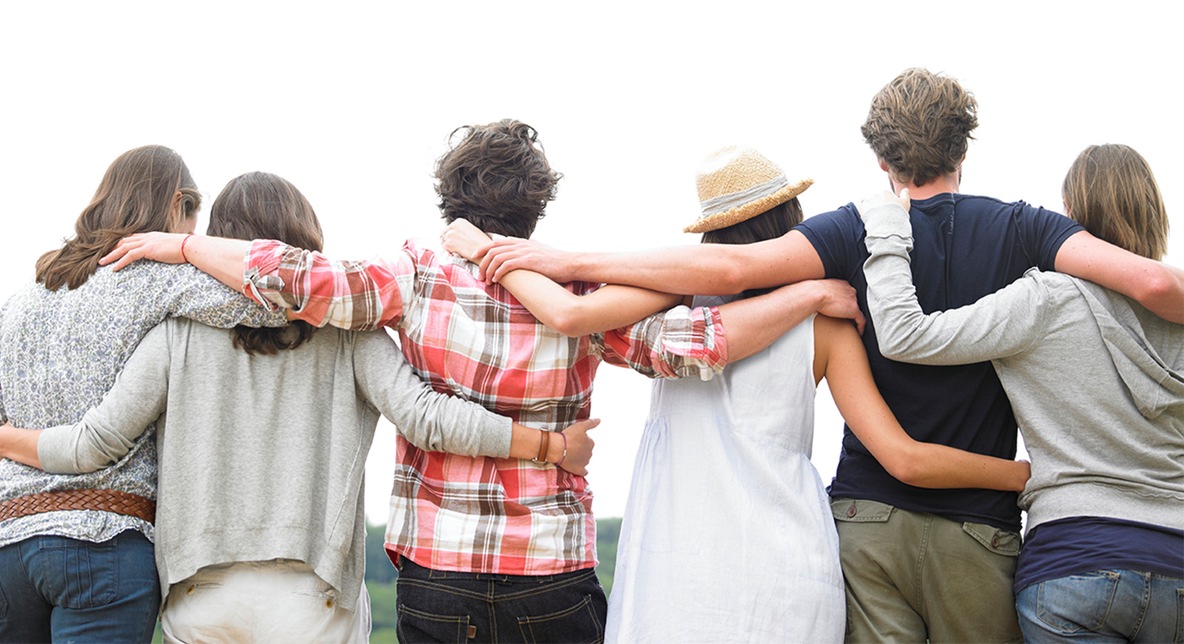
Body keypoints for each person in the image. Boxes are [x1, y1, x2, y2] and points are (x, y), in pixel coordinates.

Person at [464, 70, 1184, 641]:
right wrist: (1035, 475)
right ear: (965, 149)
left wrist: (550, 254)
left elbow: (718, 278)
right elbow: (1148, 281)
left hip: (809, 542)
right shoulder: (1022, 231)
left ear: (880, 158)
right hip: (952, 534)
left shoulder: (833, 239)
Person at [96, 120, 864, 641]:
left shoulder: (414, 276)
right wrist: (807, 292)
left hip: (439, 575)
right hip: (551, 573)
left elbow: (297, 276)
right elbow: (701, 342)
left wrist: (186, 249)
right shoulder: (587, 297)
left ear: (450, 200)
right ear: (537, 205)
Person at [441, 145, 1032, 643]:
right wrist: (1025, 475)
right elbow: (902, 457)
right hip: (788, 577)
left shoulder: (669, 306)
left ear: (711, 235)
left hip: (672, 574)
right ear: (793, 221)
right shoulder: (824, 319)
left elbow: (568, 312)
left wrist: (479, 245)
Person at [0, 171, 601, 642]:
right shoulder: (349, 335)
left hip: (200, 597)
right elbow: (426, 416)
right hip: (314, 600)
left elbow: (97, 442)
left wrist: (4, 440)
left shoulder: (175, 334)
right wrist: (547, 445)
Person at [857, 144, 1182, 643]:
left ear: (1070, 216)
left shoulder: (1045, 300)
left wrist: (885, 226)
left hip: (1075, 564)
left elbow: (905, 335)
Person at [0, 145, 286, 643]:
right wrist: (188, 252)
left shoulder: (21, 300)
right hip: (102, 543)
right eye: (193, 220)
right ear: (175, 204)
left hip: (2, 550)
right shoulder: (156, 278)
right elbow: (279, 299)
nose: (193, 234)